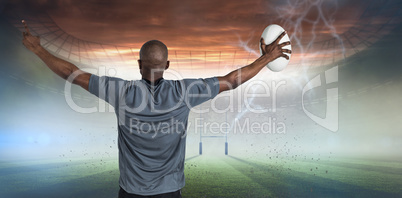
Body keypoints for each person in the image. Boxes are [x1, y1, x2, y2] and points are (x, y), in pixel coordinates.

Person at [21, 20, 291, 198]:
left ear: (139, 64)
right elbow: (232, 80)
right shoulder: (184, 92)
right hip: (169, 192)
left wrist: (38, 50)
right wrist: (267, 57)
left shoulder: (121, 92)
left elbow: (72, 74)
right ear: (168, 64)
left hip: (130, 192)